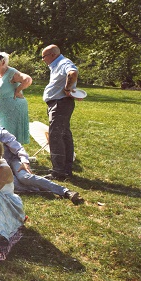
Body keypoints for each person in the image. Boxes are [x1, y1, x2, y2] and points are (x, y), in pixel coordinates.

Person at [0, 112, 82, 204]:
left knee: (25, 178)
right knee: (15, 185)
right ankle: (41, 186)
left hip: (11, 160)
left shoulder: (1, 133)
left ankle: (65, 191)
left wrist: (25, 161)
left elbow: (18, 148)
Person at [42, 44, 79, 180]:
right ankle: (66, 170)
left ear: (52, 55)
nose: (43, 59)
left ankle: (58, 172)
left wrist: (68, 89)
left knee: (56, 136)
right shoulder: (56, 65)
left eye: (44, 56)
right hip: (59, 103)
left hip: (60, 103)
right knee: (64, 135)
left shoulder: (63, 62)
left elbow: (73, 73)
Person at [0, 50, 32, 144]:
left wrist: (18, 90)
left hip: (13, 110)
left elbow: (28, 79)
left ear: (3, 62)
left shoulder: (12, 73)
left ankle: (14, 154)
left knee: (11, 136)